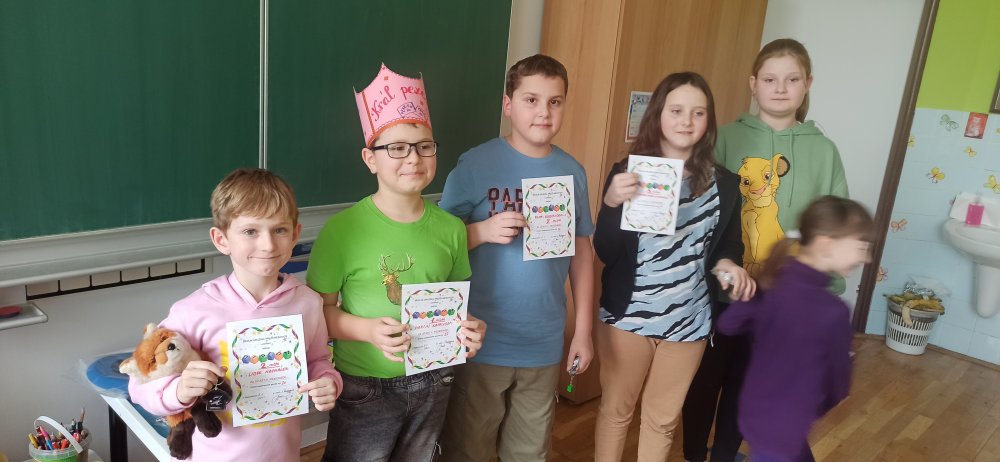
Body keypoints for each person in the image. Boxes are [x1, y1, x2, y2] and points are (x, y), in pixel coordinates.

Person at [306, 63, 486, 462]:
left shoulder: (452, 229)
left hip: (434, 378)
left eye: (424, 146)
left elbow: (454, 302)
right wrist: (367, 330)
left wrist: (469, 327)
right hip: (364, 385)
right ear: (370, 159)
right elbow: (317, 316)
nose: (414, 158)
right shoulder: (342, 231)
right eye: (397, 148)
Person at [683, 38, 850, 462]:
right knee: (704, 379)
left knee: (747, 384)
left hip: (780, 302)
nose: (780, 88)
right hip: (719, 292)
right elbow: (696, 206)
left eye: (792, 80)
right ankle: (693, 454)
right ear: (753, 84)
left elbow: (834, 225)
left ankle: (724, 455)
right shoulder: (724, 138)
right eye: (770, 79)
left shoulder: (824, 151)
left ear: (807, 84)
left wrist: (824, 289)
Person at [436, 54, 595, 462]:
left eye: (555, 102)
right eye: (531, 100)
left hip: (543, 341)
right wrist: (482, 231)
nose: (544, 112)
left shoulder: (572, 172)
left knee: (529, 450)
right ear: (508, 105)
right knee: (468, 448)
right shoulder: (475, 165)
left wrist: (582, 331)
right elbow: (435, 243)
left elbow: (581, 254)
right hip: (481, 341)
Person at [128, 168, 343, 461]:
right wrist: (179, 390)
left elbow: (318, 361)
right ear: (221, 239)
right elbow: (141, 383)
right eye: (250, 231)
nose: (268, 244)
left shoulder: (307, 303)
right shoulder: (194, 310)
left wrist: (329, 382)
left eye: (279, 230)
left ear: (295, 234)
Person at [592, 71, 754, 462]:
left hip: (688, 323)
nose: (686, 121)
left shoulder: (725, 185)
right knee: (616, 412)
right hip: (628, 318)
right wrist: (612, 203)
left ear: (708, 121)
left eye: (698, 113)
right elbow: (606, 251)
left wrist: (730, 267)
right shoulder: (629, 173)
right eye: (676, 110)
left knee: (662, 421)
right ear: (658, 115)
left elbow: (727, 247)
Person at [718, 195, 874, 462]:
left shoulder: (772, 283)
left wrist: (746, 298)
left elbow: (727, 325)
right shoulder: (832, 312)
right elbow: (838, 386)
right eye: (861, 245)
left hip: (756, 413)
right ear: (825, 244)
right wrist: (809, 407)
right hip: (784, 428)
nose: (867, 257)